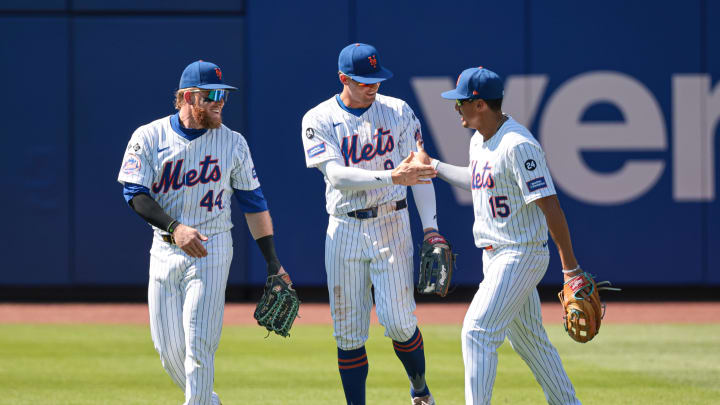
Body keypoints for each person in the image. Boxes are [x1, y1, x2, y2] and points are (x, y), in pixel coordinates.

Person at [118, 60, 293, 405]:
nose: (219, 101)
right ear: (187, 97)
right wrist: (175, 227)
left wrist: (273, 262)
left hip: (212, 249)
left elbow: (254, 204)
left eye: (223, 95)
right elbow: (134, 193)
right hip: (166, 248)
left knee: (199, 343)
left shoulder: (234, 143)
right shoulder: (150, 136)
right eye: (211, 94)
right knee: (167, 349)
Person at [412, 67, 582, 405]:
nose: (455, 108)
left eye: (460, 101)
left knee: (476, 332)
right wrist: (435, 166)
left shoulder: (519, 145)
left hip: (520, 253)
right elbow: (478, 180)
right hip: (496, 256)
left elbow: (551, 207)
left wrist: (571, 270)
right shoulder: (479, 139)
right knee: (530, 342)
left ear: (480, 105)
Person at [300, 43, 444, 405]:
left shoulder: (398, 111)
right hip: (344, 227)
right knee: (348, 333)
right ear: (343, 78)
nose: (372, 85)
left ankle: (420, 389)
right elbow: (336, 176)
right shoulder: (318, 118)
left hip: (391, 223)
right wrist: (394, 175)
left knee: (398, 322)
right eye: (363, 80)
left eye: (376, 78)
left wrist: (430, 227)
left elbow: (421, 173)